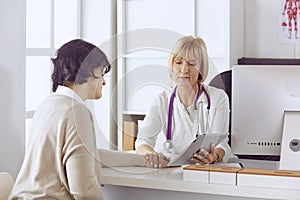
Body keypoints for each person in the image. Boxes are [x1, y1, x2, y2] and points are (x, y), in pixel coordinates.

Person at [9, 39, 169, 200]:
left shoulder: (49, 105)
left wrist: (142, 160)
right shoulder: (76, 112)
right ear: (86, 72)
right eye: (101, 74)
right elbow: (84, 190)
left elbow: (87, 155)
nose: (104, 82)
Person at [135, 36, 237, 165]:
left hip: (208, 169)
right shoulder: (162, 100)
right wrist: (152, 155)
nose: (184, 69)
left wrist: (214, 156)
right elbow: (143, 140)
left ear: (201, 68)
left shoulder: (218, 98)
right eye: (178, 63)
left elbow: (220, 143)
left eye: (192, 64)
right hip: (172, 168)